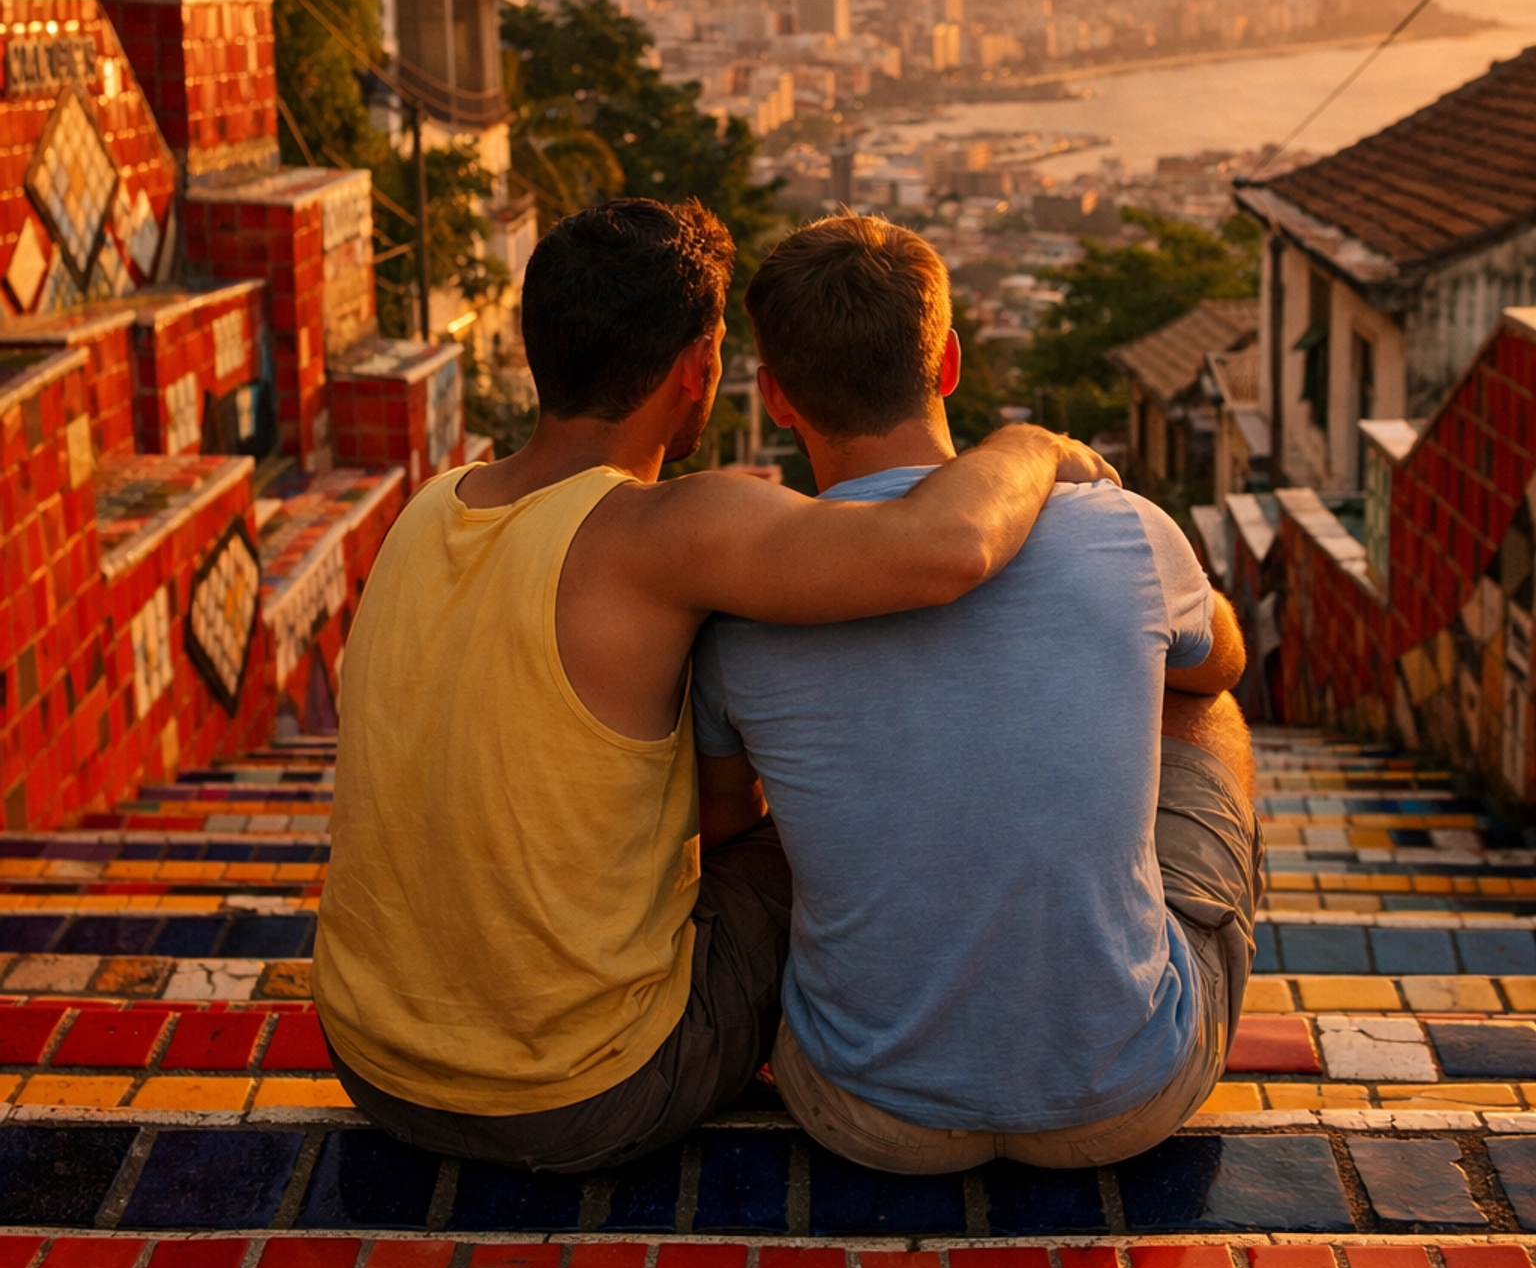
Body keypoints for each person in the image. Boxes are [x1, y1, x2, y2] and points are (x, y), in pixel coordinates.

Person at [312, 197, 1115, 1174]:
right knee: (824, 835)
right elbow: (944, 547)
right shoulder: (663, 530)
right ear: (698, 369)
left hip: (371, 1058)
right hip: (588, 1092)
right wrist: (1033, 445)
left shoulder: (425, 511)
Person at [692, 212, 1261, 1171]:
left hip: (859, 1106)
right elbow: (1225, 662)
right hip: (1128, 1090)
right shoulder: (1123, 529)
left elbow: (720, 823)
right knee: (1202, 693)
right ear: (949, 362)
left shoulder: (739, 602)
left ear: (775, 396)